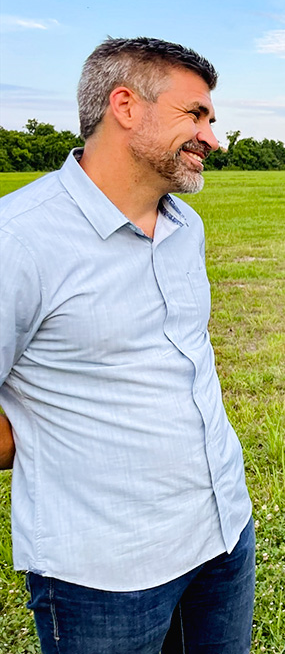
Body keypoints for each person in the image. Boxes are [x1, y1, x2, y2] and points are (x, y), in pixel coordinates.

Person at [0, 37, 255, 653]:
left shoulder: (183, 225)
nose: (212, 138)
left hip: (223, 534)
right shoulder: (20, 240)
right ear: (125, 105)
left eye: (211, 120)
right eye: (195, 115)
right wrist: (36, 440)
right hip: (105, 571)